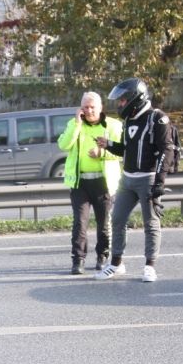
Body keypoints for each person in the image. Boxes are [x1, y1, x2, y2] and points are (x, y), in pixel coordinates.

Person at [94, 78, 174, 282]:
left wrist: (159, 182)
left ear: (134, 98)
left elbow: (167, 150)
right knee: (118, 220)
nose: (120, 104)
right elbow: (128, 149)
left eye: (122, 100)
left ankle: (150, 266)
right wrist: (109, 144)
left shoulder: (157, 119)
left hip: (148, 179)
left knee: (151, 223)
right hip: (127, 179)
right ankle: (116, 264)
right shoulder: (129, 120)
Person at [57, 92, 123, 274]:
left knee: (104, 224)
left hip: (103, 183)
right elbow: (63, 145)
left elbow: (122, 151)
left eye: (93, 107)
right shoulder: (74, 124)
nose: (89, 110)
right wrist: (77, 125)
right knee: (80, 223)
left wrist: (102, 153)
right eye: (85, 107)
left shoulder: (113, 126)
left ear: (101, 108)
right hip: (80, 183)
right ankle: (78, 260)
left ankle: (102, 256)